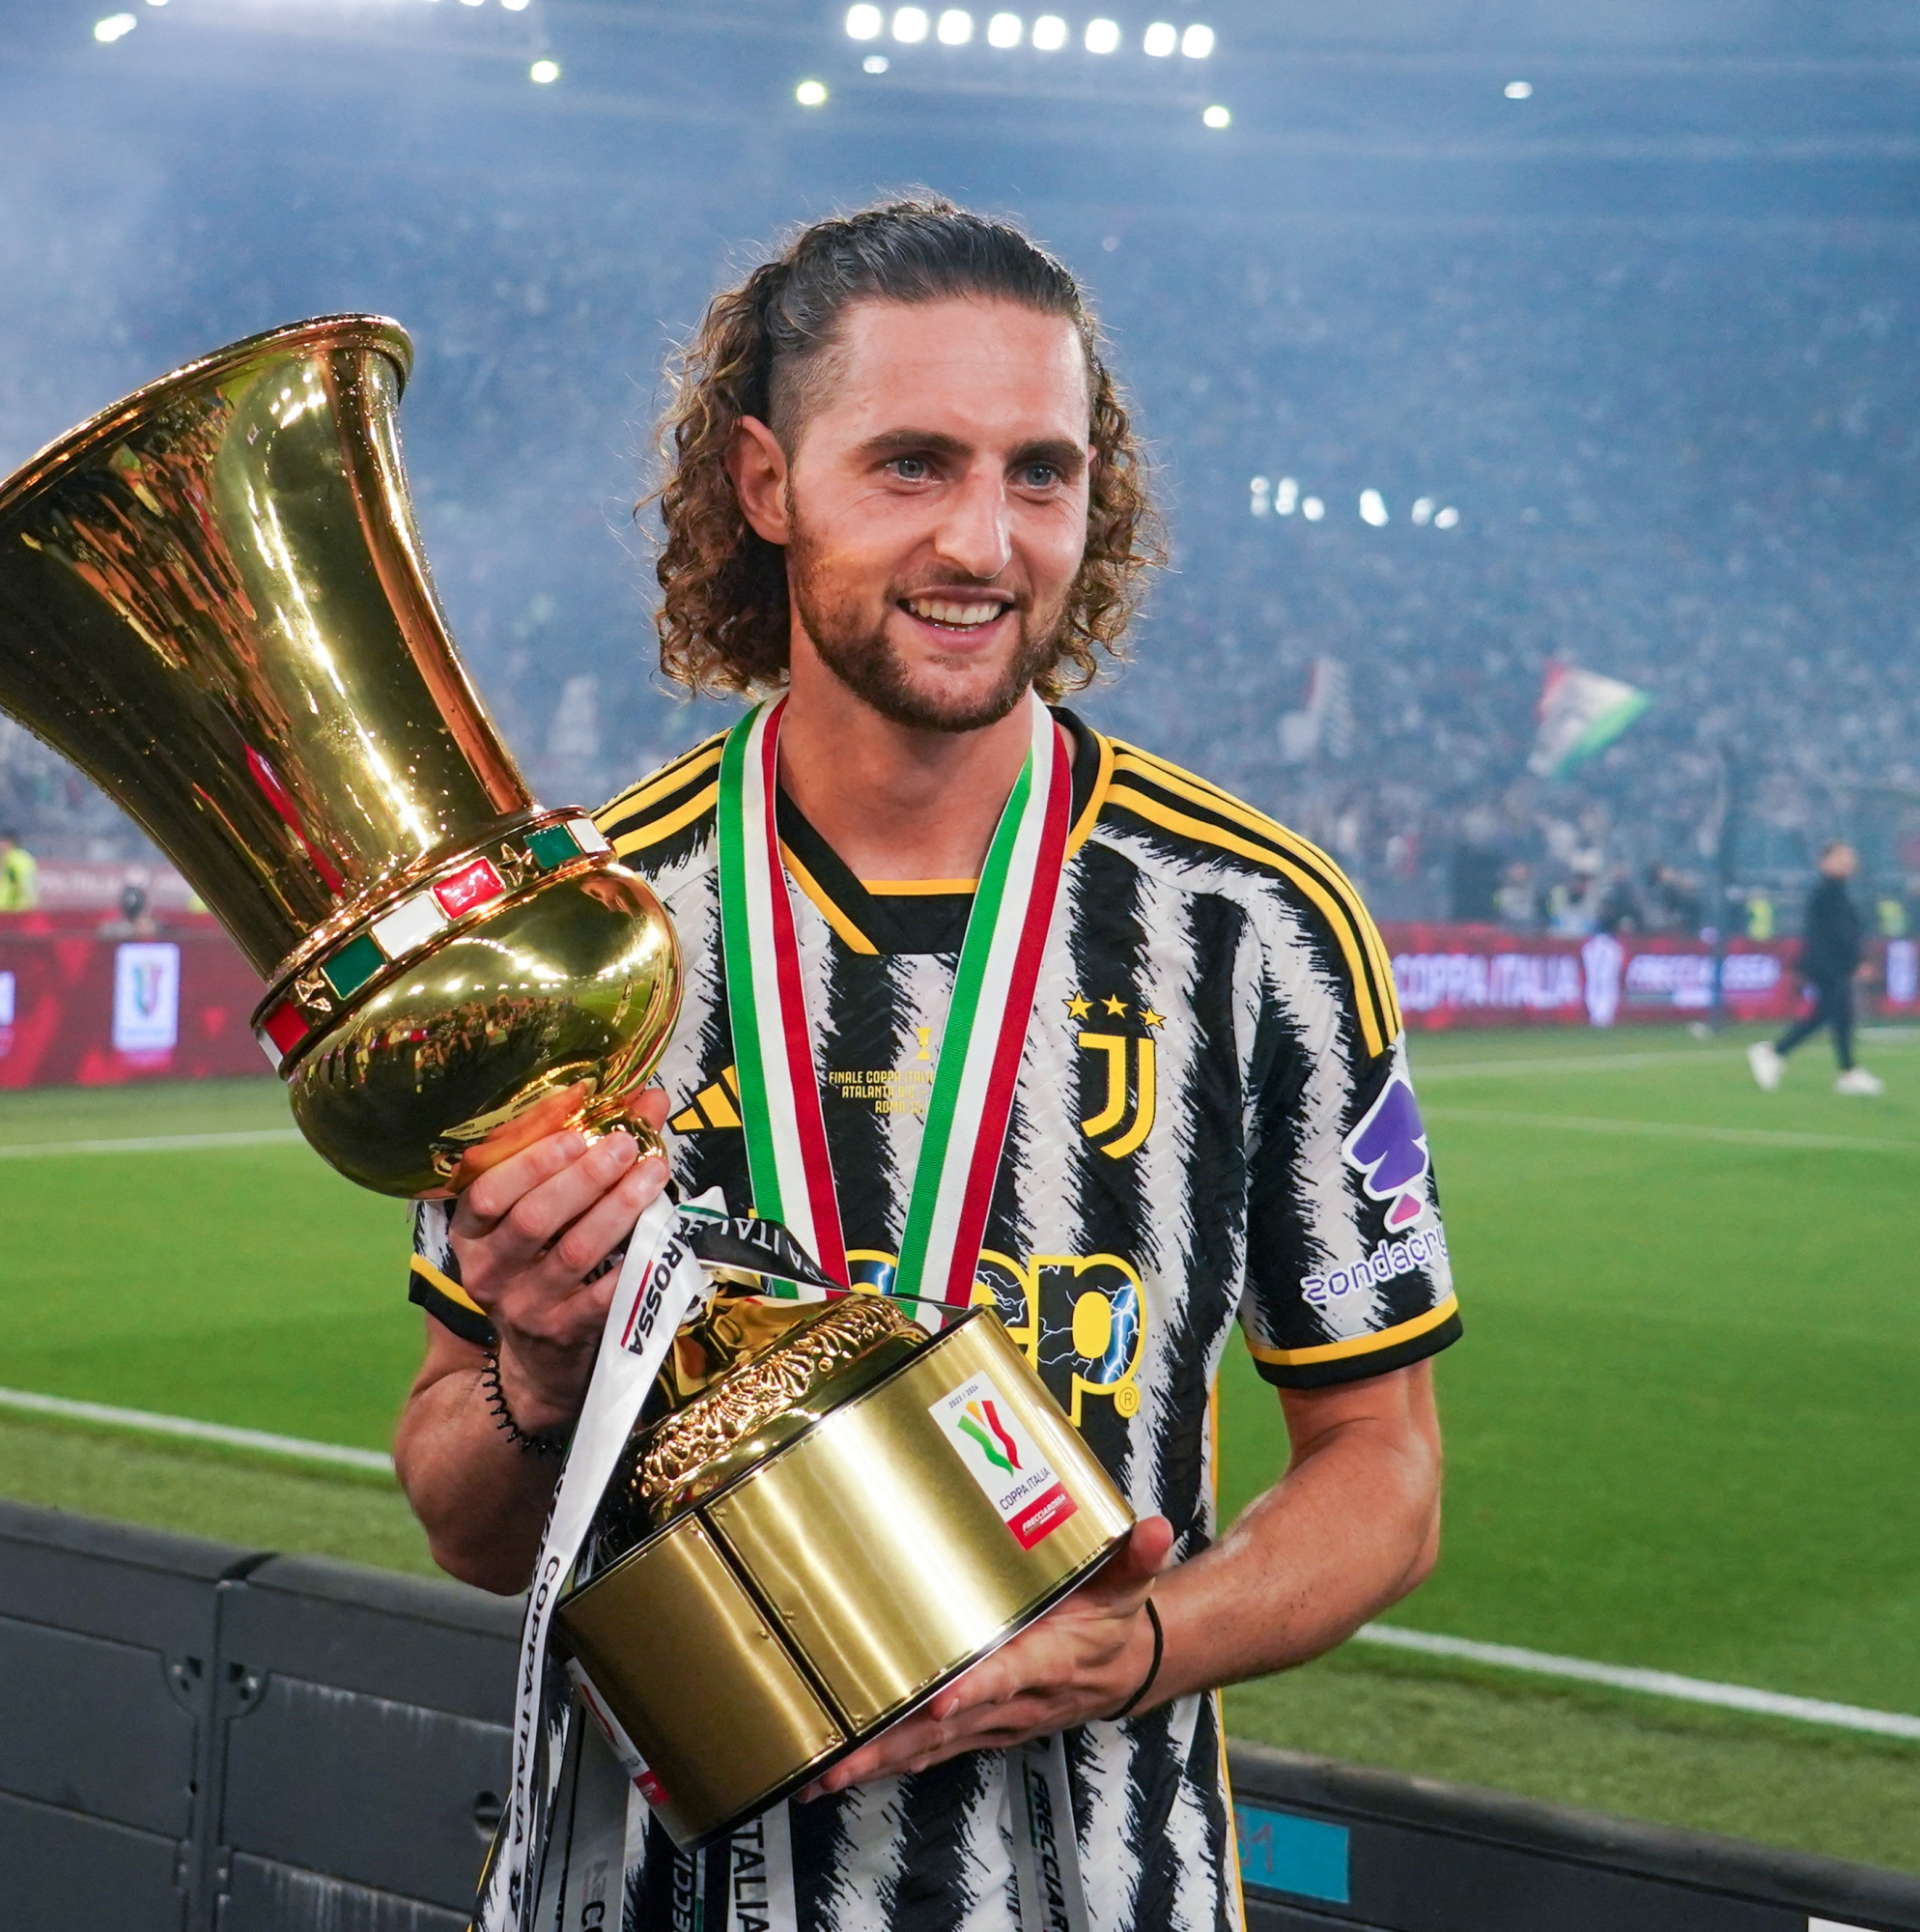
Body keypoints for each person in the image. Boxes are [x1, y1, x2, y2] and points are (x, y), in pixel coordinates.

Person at [393, 201, 1453, 1932]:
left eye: (1041, 472)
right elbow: (465, 1518)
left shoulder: (1254, 926)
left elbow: (1382, 1470)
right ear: (762, 480)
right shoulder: (583, 943)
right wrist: (536, 1367)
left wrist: (1136, 1649)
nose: (986, 538)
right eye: (910, 465)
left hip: (1097, 1894)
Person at [1750, 839, 1880, 1094]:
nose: (1848, 864)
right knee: (1831, 1013)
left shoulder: (1836, 891)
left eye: (1850, 860)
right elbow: (1838, 932)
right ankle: (1773, 1053)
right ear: (1826, 862)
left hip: (1832, 963)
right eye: (1842, 859)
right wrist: (1856, 961)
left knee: (1837, 1014)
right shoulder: (1826, 893)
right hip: (1825, 964)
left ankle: (1847, 1072)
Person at [0, 827, 39, 913]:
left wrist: (25, 909)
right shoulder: (8, 860)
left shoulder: (17, 860)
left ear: (8, 843)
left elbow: (26, 885)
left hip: (14, 914)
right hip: (5, 914)